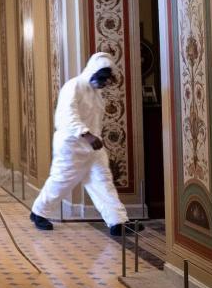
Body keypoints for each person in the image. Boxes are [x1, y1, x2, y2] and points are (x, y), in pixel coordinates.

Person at [29, 52, 134, 236]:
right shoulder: (74, 86)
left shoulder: (96, 93)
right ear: (92, 71)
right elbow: (67, 115)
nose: (103, 82)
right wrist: (86, 135)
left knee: (103, 182)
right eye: (101, 78)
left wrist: (92, 138)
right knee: (61, 181)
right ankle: (39, 213)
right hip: (72, 145)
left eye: (106, 79)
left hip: (93, 148)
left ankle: (118, 222)